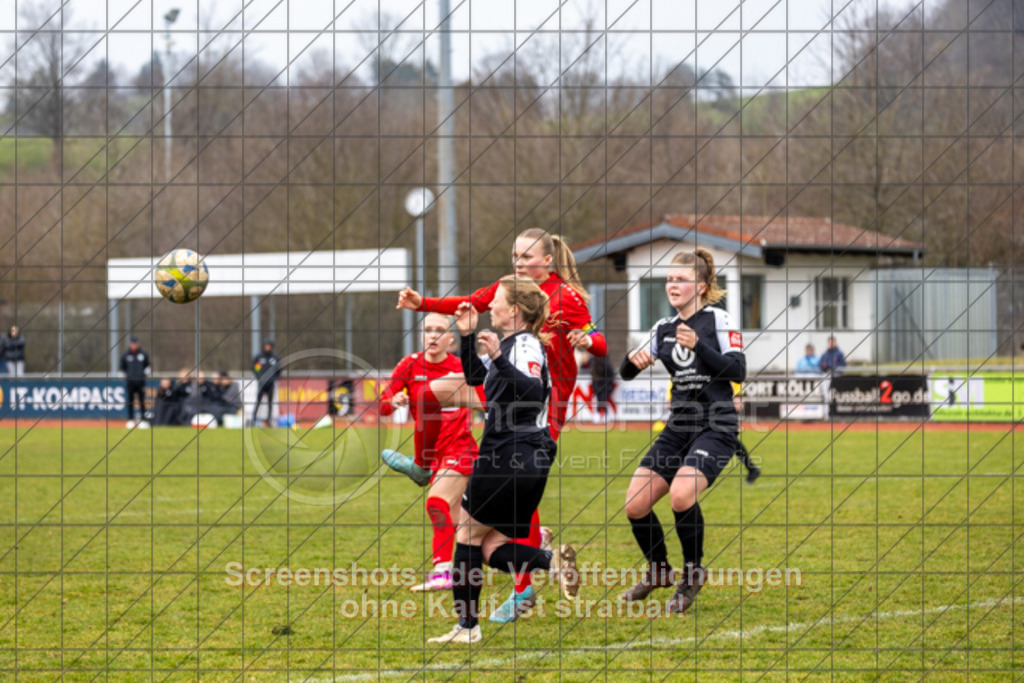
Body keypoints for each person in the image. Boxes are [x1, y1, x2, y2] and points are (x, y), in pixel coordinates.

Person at [396, 227, 606, 622]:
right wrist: (423, 303)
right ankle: (424, 466)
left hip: (541, 406)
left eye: (527, 257)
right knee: (427, 394)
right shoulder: (507, 291)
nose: (518, 263)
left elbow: (600, 343)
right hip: (505, 391)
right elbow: (469, 303)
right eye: (515, 256)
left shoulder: (567, 298)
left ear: (547, 260)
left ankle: (522, 589)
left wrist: (587, 342)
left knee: (512, 512)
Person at [428, 278, 579, 644]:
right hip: (528, 458)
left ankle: (467, 628)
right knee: (491, 546)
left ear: (514, 311)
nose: (488, 306)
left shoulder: (523, 344)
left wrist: (496, 355)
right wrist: (467, 336)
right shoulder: (511, 345)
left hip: (509, 456)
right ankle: (550, 562)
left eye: (494, 301)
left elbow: (527, 390)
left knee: (465, 538)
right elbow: (476, 378)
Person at [618, 249, 745, 615]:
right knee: (636, 503)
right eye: (669, 279)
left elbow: (737, 371)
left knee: (681, 495)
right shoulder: (662, 328)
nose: (672, 285)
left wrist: (699, 346)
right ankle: (658, 571)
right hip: (678, 428)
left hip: (716, 425)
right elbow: (625, 374)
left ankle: (692, 574)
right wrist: (632, 361)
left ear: (701, 286)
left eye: (681, 279)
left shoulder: (718, 320)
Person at [378, 313, 481, 593]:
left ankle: (442, 572)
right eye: (428, 330)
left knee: (436, 503)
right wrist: (393, 400)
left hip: (460, 449)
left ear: (451, 338)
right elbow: (382, 405)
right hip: (430, 452)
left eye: (440, 330)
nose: (433, 336)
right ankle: (535, 545)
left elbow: (487, 399)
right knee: (465, 522)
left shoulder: (463, 367)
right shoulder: (410, 365)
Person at [119, 336, 151, 424]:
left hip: (141, 382)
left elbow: (147, 366)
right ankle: (130, 419)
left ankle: (143, 420)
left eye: (136, 343)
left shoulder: (143, 353)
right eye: (133, 343)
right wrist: (126, 376)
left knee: (142, 401)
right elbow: (122, 368)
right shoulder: (125, 355)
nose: (134, 345)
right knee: (130, 401)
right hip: (130, 383)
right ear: (130, 344)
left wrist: (144, 374)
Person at [251, 339, 281, 426]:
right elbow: (255, 369)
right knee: (258, 401)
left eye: (269, 346)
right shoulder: (260, 358)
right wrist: (259, 377)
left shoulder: (274, 358)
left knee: (270, 403)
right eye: (266, 345)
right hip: (261, 383)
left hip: (271, 384)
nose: (268, 347)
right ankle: (253, 419)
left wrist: (273, 378)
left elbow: (278, 370)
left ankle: (269, 420)